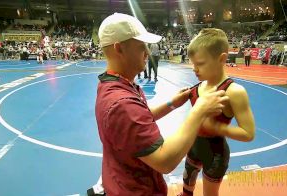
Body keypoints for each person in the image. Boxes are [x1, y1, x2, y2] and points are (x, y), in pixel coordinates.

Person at [95, 13, 229, 196]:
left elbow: (139, 117)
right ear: (119, 49)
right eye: (142, 46)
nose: (148, 52)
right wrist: (199, 111)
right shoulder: (122, 104)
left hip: (121, 181)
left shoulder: (116, 84)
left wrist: (171, 104)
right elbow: (165, 161)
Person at [178, 28, 255, 196]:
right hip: (194, 146)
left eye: (200, 64)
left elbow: (248, 133)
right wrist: (173, 102)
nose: (194, 69)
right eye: (193, 64)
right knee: (186, 185)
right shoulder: (198, 87)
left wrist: (217, 127)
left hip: (216, 154)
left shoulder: (234, 91)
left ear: (222, 59)